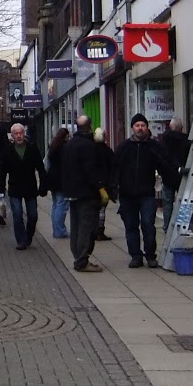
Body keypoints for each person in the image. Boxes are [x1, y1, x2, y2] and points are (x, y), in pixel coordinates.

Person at [113, 114, 179, 268]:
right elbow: (114, 168)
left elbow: (166, 163)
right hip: (127, 194)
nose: (140, 128)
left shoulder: (153, 147)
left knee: (148, 224)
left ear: (147, 127)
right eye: (137, 125)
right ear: (132, 128)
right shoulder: (124, 148)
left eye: (143, 125)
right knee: (131, 225)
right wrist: (113, 188)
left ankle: (150, 255)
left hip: (146, 193)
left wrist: (176, 174)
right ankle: (135, 256)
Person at [62, 115, 111, 272]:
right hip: (87, 193)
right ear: (90, 127)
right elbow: (91, 171)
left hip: (72, 192)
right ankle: (82, 260)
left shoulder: (70, 144)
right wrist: (100, 188)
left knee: (76, 226)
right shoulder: (89, 146)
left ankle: (78, 256)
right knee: (87, 226)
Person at [1, 123, 48, 250]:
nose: (19, 136)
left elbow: (40, 168)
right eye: (16, 134)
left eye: (20, 133)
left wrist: (43, 184)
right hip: (14, 187)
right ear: (12, 136)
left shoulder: (32, 149)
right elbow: (2, 171)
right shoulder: (8, 151)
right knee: (17, 214)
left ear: (24, 134)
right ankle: (21, 240)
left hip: (30, 187)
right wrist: (0, 189)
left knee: (33, 215)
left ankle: (28, 236)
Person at [159, 118, 191, 228]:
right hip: (183, 175)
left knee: (168, 203)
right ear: (181, 128)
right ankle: (184, 225)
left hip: (168, 175)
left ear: (170, 127)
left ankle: (167, 227)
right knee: (185, 202)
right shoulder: (186, 140)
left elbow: (163, 157)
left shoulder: (164, 140)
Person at [44, 126, 71, 239]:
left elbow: (46, 164)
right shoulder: (65, 148)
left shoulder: (52, 147)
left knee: (55, 205)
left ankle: (56, 229)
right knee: (62, 205)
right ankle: (60, 230)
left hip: (53, 179)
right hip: (62, 179)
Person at [92, 127, 115, 241]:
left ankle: (94, 230)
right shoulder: (108, 151)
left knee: (94, 208)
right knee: (102, 208)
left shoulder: (91, 149)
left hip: (93, 183)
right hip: (105, 183)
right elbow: (113, 167)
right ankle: (100, 230)